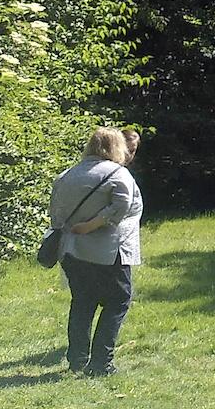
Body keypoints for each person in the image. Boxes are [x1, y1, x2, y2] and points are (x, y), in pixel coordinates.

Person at [49, 126, 144, 377]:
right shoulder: (118, 173)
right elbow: (122, 207)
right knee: (118, 301)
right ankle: (102, 362)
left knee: (82, 302)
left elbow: (55, 213)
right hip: (108, 251)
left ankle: (77, 359)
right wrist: (93, 225)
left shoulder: (66, 175)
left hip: (71, 250)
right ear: (117, 147)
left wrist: (74, 228)